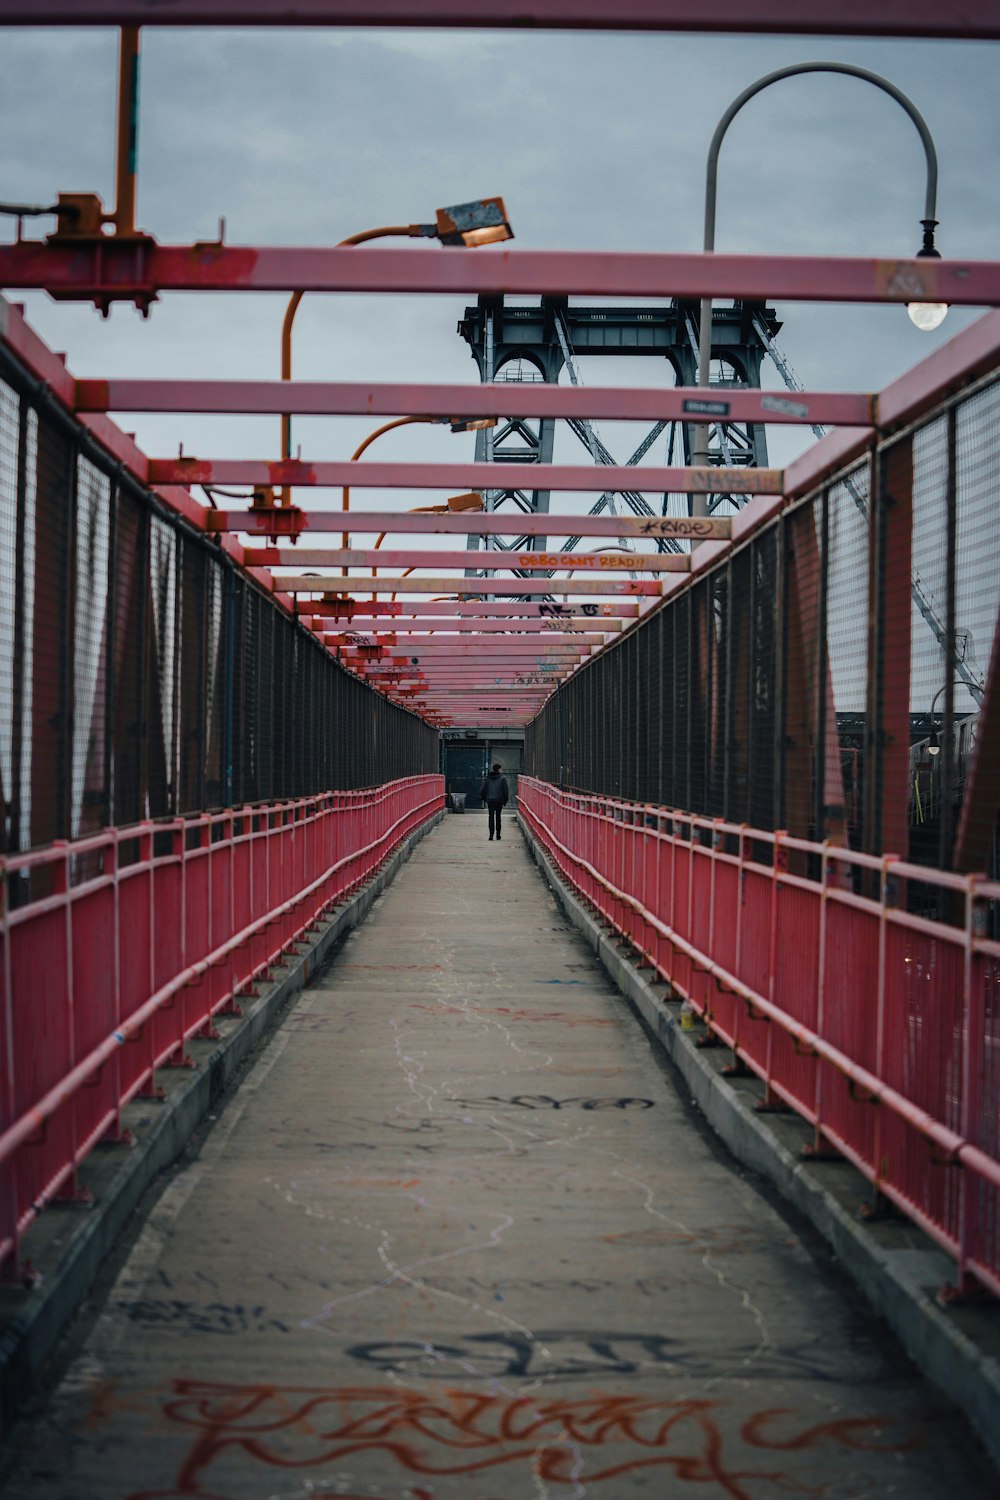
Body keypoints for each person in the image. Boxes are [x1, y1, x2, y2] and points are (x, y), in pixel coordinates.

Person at [479, 762, 509, 841]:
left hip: (490, 800)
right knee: (498, 817)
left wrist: (485, 798)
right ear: (499, 769)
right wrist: (505, 801)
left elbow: (482, 790)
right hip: (499, 800)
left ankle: (491, 835)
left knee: (491, 817)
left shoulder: (487, 778)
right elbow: (505, 791)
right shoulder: (503, 778)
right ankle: (498, 835)